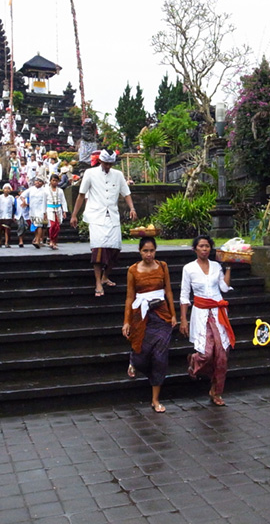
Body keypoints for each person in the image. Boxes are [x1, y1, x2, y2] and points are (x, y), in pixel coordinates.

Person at [70, 149, 137, 297]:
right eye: (106, 163)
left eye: (110, 164)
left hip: (112, 215)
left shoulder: (118, 175)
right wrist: (74, 215)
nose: (108, 166)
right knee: (98, 249)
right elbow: (81, 195)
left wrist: (132, 208)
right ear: (100, 161)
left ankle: (105, 276)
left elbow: (126, 193)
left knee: (115, 248)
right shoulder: (90, 173)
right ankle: (98, 283)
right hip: (95, 215)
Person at [122, 237, 178, 413]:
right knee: (141, 354)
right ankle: (134, 363)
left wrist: (173, 314)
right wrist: (126, 321)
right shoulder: (133, 270)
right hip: (141, 315)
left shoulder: (162, 266)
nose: (149, 254)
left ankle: (155, 399)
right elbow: (130, 297)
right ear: (140, 251)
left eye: (151, 250)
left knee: (160, 358)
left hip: (161, 315)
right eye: (145, 251)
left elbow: (168, 290)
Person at [179, 234, 233, 406]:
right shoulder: (189, 268)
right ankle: (193, 360)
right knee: (206, 353)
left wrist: (229, 268)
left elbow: (223, 287)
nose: (204, 249)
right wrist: (183, 319)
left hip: (218, 313)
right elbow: (184, 295)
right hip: (200, 313)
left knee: (222, 354)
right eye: (201, 246)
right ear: (195, 249)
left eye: (207, 246)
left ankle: (216, 391)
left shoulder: (216, 266)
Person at [20, 177, 48, 248]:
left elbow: (46, 202)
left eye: (40, 181)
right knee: (35, 226)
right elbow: (22, 195)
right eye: (37, 181)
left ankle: (38, 240)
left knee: (39, 225)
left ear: (43, 183)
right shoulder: (31, 189)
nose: (38, 182)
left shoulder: (44, 191)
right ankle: (36, 239)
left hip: (41, 210)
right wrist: (24, 201)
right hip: (32, 210)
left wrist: (45, 212)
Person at [46, 173, 68, 250]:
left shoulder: (60, 191)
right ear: (50, 181)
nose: (55, 182)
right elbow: (44, 201)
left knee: (57, 227)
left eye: (56, 181)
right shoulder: (46, 190)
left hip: (58, 209)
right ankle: (51, 240)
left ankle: (54, 241)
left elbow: (63, 201)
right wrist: (44, 212)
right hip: (49, 209)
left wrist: (64, 211)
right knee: (52, 225)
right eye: (53, 180)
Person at [0, 183, 16, 247]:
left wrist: (15, 215)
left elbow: (15, 205)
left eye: (8, 189)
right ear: (3, 189)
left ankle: (6, 242)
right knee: (0, 230)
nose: (7, 190)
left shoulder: (11, 198)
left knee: (7, 229)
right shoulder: (0, 197)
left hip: (8, 216)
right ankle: (0, 241)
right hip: (0, 216)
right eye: (5, 188)